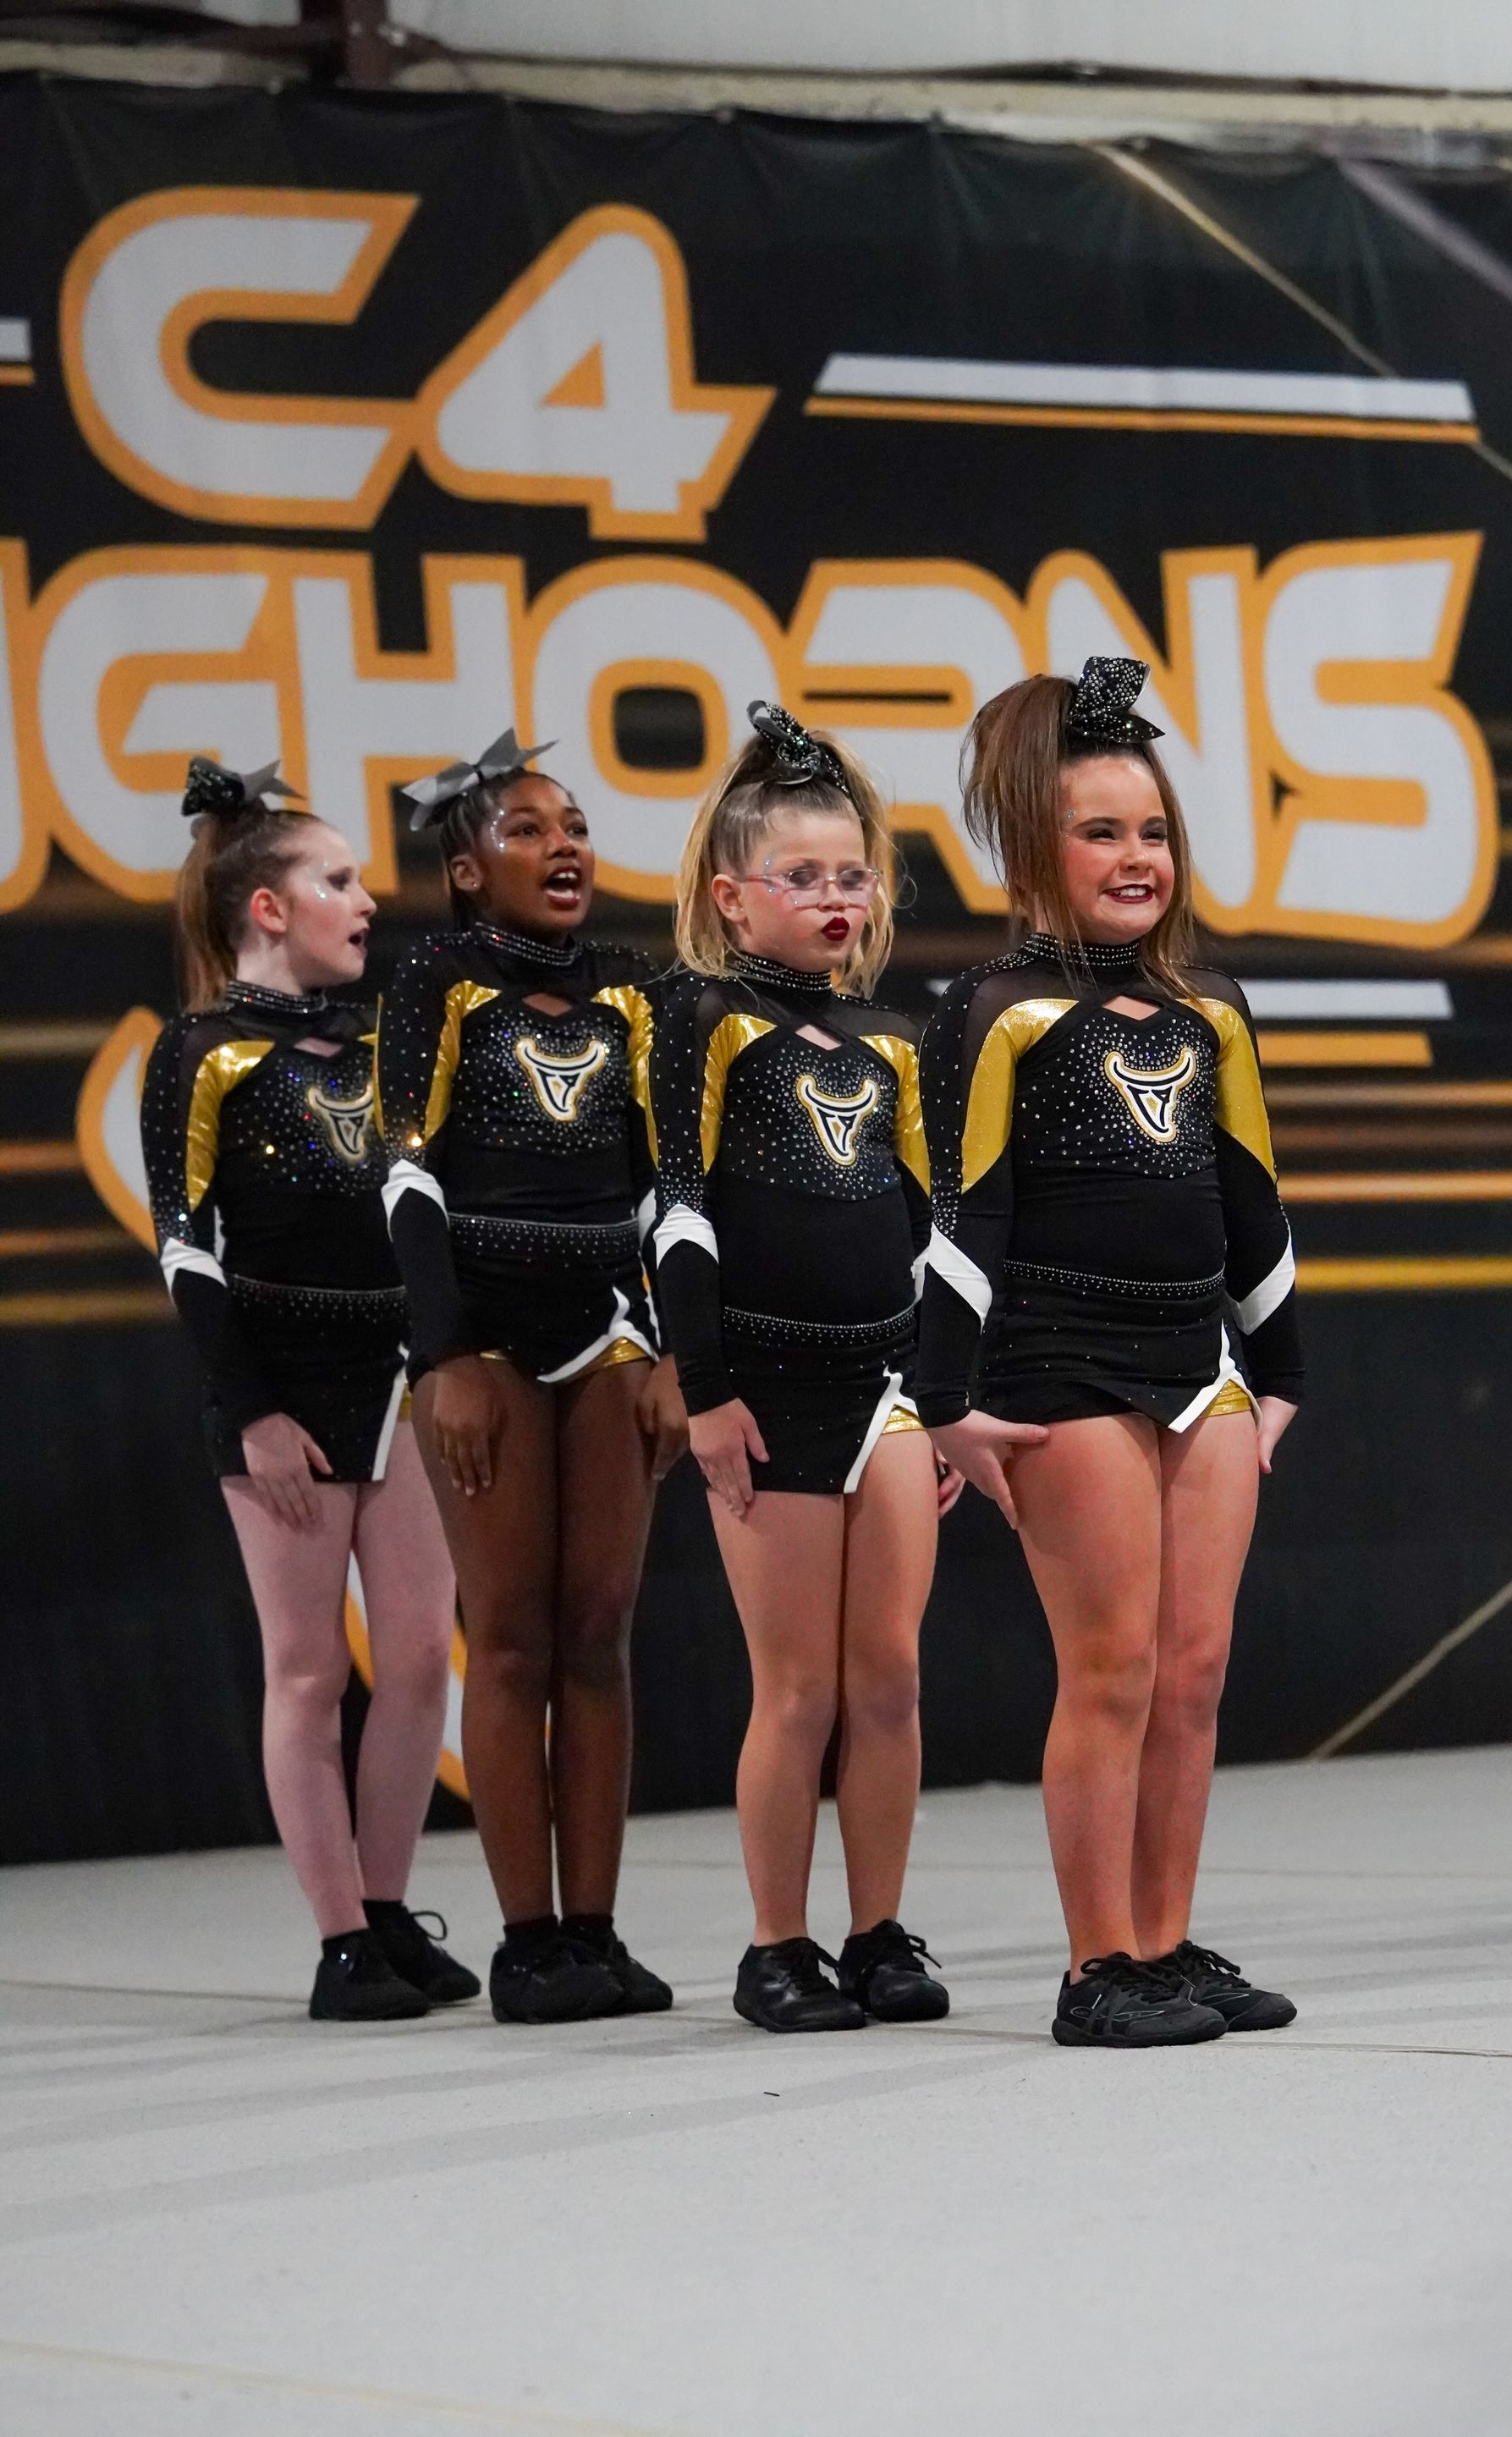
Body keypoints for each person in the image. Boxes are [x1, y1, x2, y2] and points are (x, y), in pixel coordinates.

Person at [915, 658, 1303, 2049]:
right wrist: (944, 1400)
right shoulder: (993, 1008)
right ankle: (1096, 1970)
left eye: (1151, 832)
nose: (1135, 858)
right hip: (1061, 1369)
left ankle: (1165, 1940)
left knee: (1196, 1669)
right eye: (1100, 833)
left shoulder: (1213, 1009)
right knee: (1116, 1672)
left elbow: (1252, 1196)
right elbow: (965, 1219)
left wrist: (1282, 1376)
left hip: (1201, 1367)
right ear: (1035, 846)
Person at [141, 756, 476, 2023]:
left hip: (395, 1376)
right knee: (306, 1674)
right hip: (278, 1383)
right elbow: (187, 1247)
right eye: (337, 880)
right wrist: (253, 1411)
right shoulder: (203, 1051)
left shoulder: (381, 1040)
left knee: (414, 1660)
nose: (363, 901)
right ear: (267, 908)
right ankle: (338, 1941)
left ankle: (387, 1913)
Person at [651, 701, 959, 2035]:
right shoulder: (699, 1019)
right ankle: (777, 1942)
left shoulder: (898, 1039)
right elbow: (675, 1214)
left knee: (887, 1678)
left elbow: (937, 1235)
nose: (836, 898)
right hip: (763, 1391)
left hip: (886, 1383)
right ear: (732, 899)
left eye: (852, 876)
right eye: (803, 878)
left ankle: (880, 1929)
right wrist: (703, 1386)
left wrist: (947, 1401)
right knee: (801, 1688)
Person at [376, 732, 685, 2026]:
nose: (565, 847)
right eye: (527, 831)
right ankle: (525, 1937)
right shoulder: (434, 988)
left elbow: (673, 1185)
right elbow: (403, 1173)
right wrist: (443, 1353)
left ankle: (597, 1931)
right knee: (506, 1636)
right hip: (486, 1344)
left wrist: (675, 1345)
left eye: (576, 827)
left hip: (610, 1331)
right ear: (463, 868)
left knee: (599, 1633)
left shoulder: (632, 997)